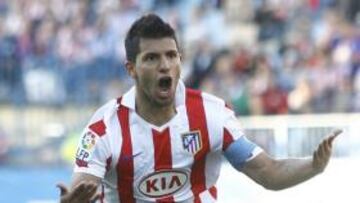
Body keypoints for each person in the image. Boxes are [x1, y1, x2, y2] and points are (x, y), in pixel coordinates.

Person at [57, 14, 342, 203]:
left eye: (171, 55)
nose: (165, 65)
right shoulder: (105, 127)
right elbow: (82, 186)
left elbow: (268, 172)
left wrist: (314, 166)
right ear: (131, 69)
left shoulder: (213, 115)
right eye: (152, 58)